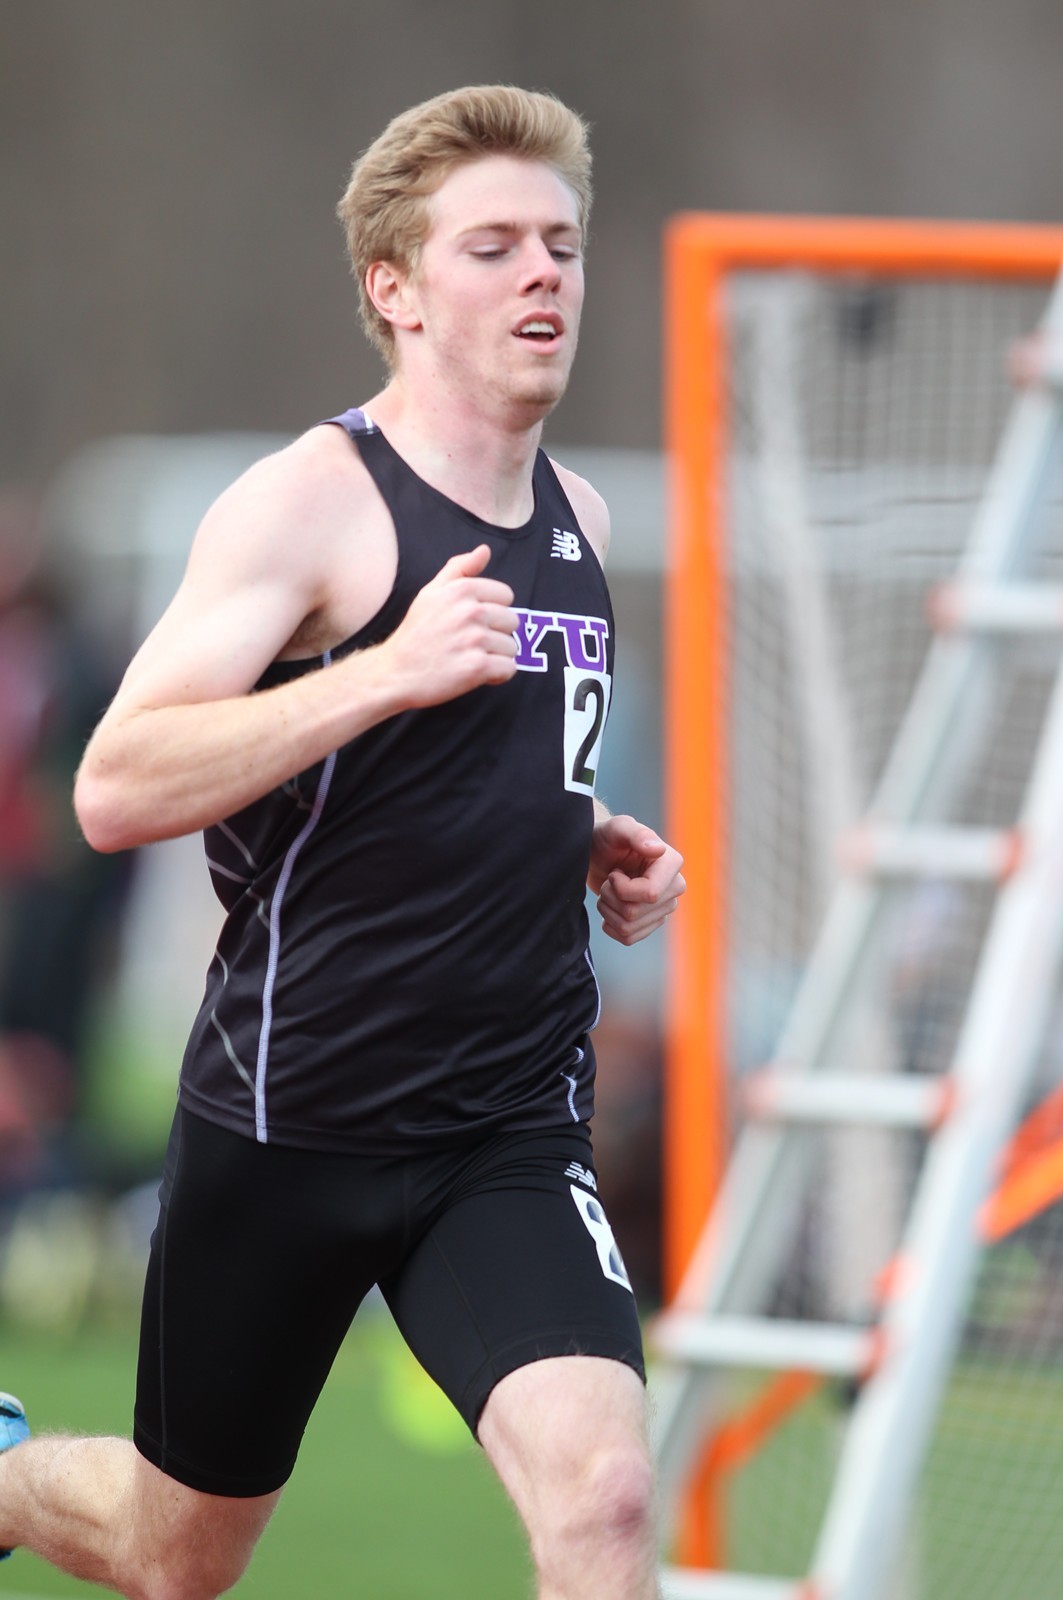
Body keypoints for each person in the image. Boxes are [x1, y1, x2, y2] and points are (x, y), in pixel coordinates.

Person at [0, 85, 684, 1600]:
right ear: (395, 290)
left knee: (611, 1501)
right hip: (291, 1121)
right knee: (175, 1556)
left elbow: (460, 771)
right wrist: (383, 666)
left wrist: (582, 842)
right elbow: (115, 784)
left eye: (561, 244)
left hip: (503, 1127)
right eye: (494, 245)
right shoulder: (310, 503)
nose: (544, 277)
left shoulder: (575, 515)